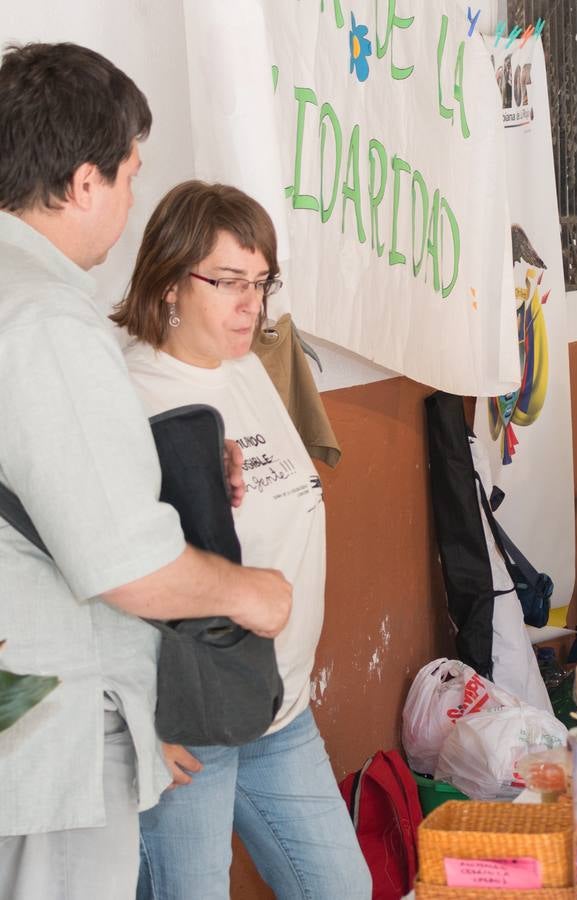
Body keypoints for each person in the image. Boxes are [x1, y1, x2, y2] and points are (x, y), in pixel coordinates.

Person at [0, 43, 291, 900]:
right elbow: (123, 559)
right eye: (127, 175)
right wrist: (249, 592)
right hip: (49, 731)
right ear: (84, 182)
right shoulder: (47, 317)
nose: (130, 200)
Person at [110, 182, 370, 898]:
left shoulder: (246, 367)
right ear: (168, 281)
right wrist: (138, 722)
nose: (250, 304)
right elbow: (102, 566)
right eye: (227, 282)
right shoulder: (128, 391)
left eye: (259, 283)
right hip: (187, 722)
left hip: (277, 708)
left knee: (341, 888)